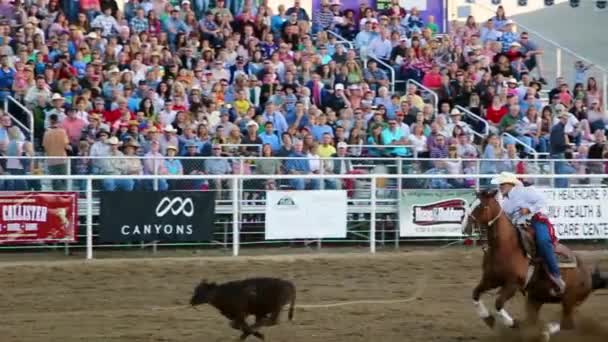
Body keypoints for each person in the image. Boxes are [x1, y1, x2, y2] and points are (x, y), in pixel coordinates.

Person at [491, 172, 565, 295]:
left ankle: (556, 275)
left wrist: (529, 209)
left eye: (502, 184)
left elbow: (542, 201)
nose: (500, 187)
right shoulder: (505, 202)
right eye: (500, 184)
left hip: (535, 221)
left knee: (543, 241)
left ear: (510, 184)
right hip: (518, 226)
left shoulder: (524, 191)